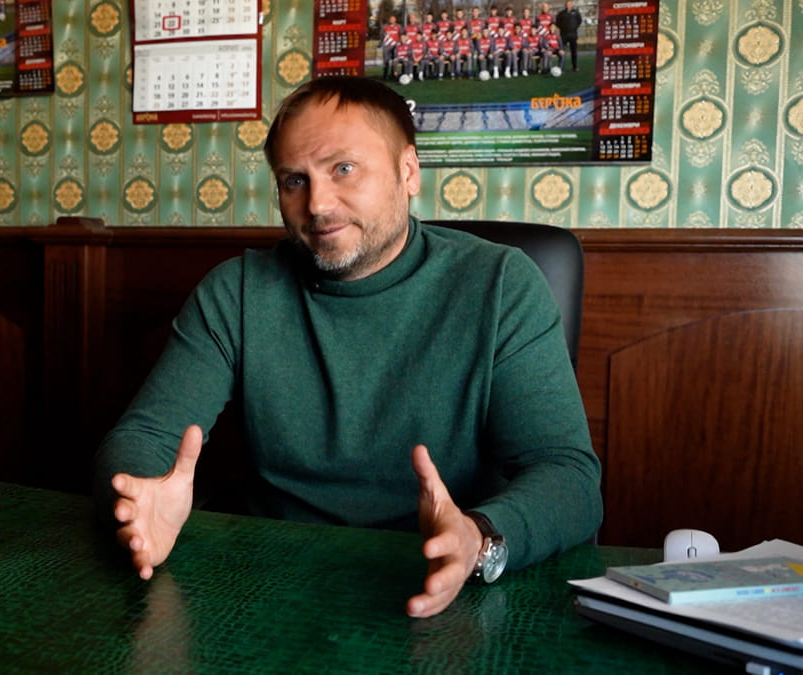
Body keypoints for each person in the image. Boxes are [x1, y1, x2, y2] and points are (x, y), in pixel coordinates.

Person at [95, 76, 602, 618]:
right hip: (274, 587)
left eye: (343, 169)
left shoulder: (500, 284)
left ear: (408, 171)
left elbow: (569, 477)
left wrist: (478, 537)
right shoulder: (236, 291)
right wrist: (137, 502)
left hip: (450, 592)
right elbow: (143, 437)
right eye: (294, 180)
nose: (317, 204)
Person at [555, 0, 583, 71]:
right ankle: (562, 67)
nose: (568, 5)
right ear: (565, 5)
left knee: (574, 52)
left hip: (573, 35)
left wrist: (574, 27)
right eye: (567, 4)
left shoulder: (576, 12)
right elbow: (557, 23)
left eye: (569, 4)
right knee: (562, 51)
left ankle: (575, 67)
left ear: (572, 4)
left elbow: (579, 21)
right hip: (563, 35)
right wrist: (563, 28)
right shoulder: (561, 13)